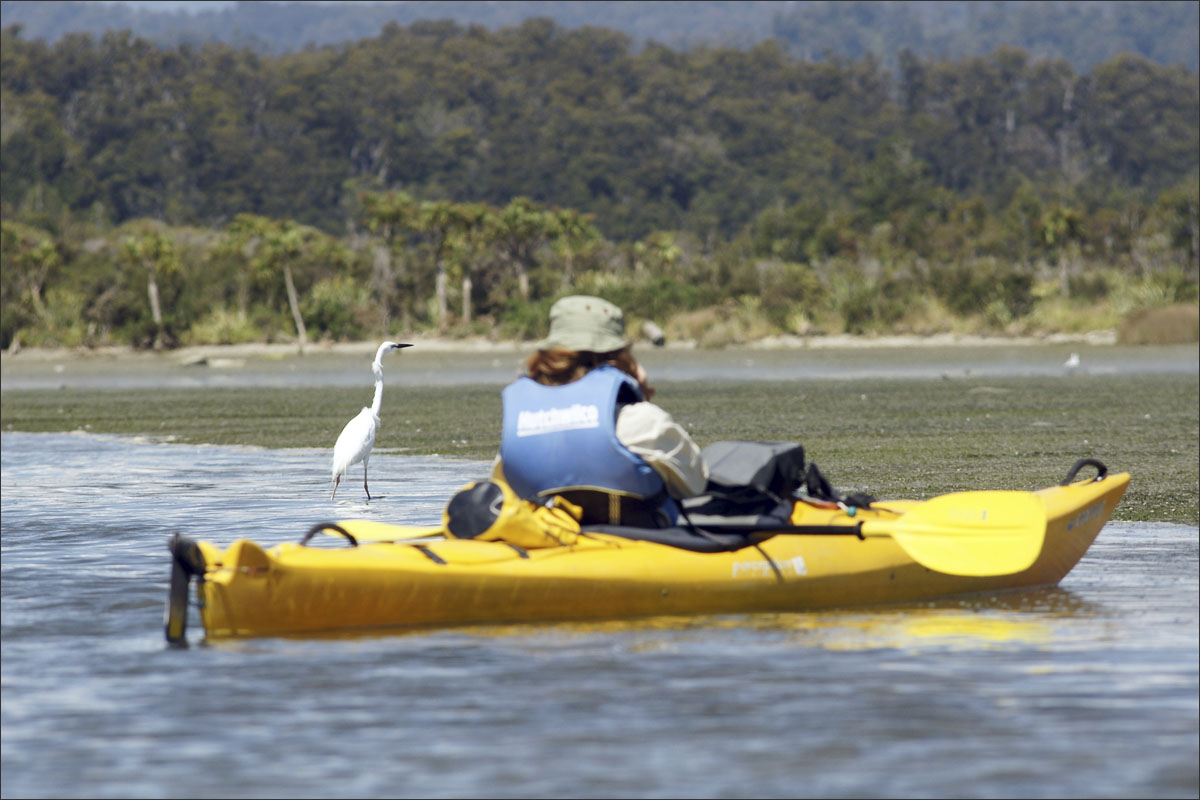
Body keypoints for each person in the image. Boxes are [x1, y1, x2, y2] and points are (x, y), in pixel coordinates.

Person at [494, 295, 708, 528]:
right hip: (636, 543)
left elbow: (502, 495)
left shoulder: (520, 425)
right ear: (618, 355)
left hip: (548, 545)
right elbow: (696, 485)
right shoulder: (639, 420)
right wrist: (639, 398)